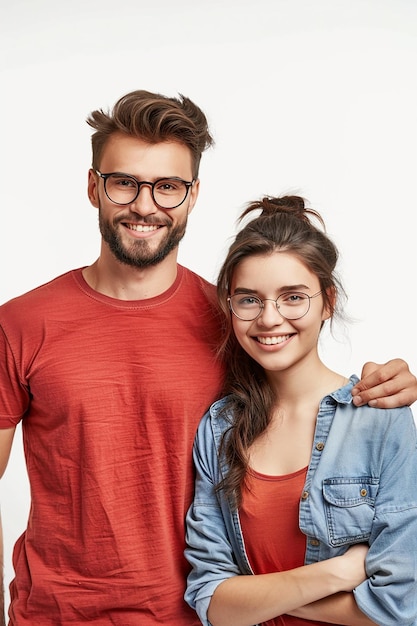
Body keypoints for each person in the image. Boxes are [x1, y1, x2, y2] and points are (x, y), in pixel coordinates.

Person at [0, 91, 415, 626]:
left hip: (193, 614)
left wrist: (391, 384)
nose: (145, 205)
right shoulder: (20, 324)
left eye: (167, 187)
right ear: (92, 186)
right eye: (124, 182)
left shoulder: (235, 322)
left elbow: (310, 394)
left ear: (192, 196)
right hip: (55, 614)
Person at [184, 195, 417, 626]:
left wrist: (257, 595)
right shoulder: (219, 429)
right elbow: (209, 597)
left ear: (328, 301)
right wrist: (335, 573)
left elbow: (399, 607)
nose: (270, 318)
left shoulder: (382, 418)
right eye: (249, 300)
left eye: (293, 297)